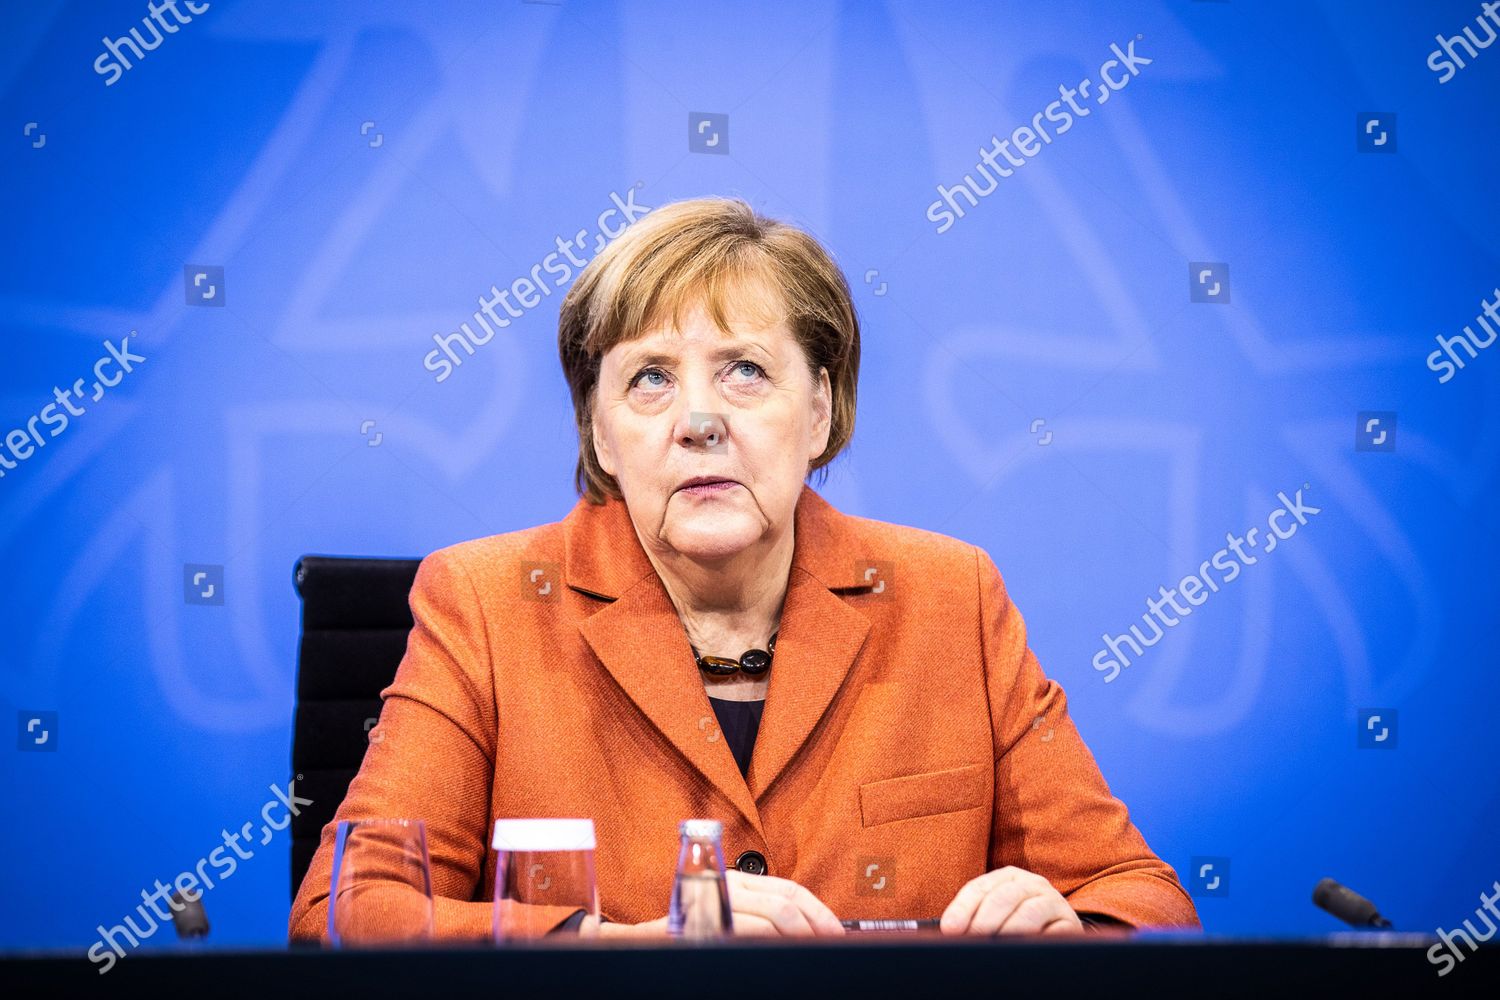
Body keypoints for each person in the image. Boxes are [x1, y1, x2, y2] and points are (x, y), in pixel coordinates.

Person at [288, 195, 1200, 941]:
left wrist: (1073, 930)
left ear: (820, 409)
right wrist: (613, 953)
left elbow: (1148, 901)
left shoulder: (949, 598)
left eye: (746, 371)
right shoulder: (484, 604)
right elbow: (344, 910)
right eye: (648, 378)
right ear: (600, 431)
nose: (698, 419)